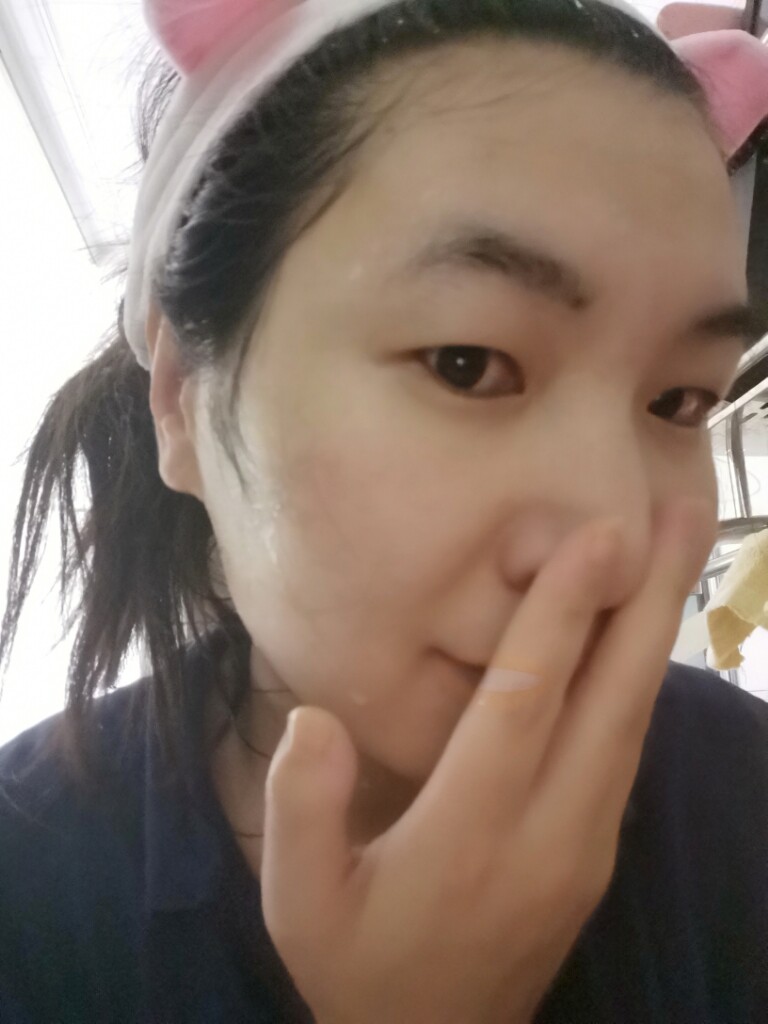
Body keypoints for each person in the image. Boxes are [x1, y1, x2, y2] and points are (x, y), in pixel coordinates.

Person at [0, 0, 766, 1020]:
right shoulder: (28, 893)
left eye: (679, 402)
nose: (616, 540)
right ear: (182, 398)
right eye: (467, 363)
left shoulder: (744, 790)